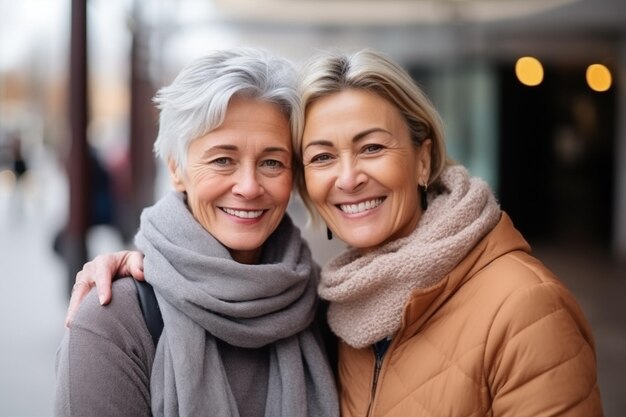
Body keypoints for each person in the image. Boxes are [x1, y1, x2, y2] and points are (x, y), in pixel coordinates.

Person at [67, 48, 603, 416]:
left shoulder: (523, 307)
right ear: (177, 171)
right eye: (323, 156)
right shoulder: (340, 307)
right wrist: (150, 268)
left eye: (372, 147)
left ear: (423, 159)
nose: (249, 186)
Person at [54, 48, 339, 417]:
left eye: (272, 162)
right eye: (223, 160)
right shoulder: (113, 322)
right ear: (176, 169)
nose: (249, 187)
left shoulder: (324, 306)